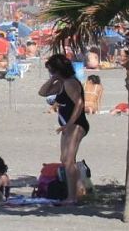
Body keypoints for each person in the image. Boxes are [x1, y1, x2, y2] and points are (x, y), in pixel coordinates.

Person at [38, 53, 89, 205]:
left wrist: (69, 124)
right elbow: (43, 92)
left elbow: (79, 104)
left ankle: (72, 197)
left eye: (51, 70)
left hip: (76, 125)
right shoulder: (61, 83)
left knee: (68, 160)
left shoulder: (70, 83)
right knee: (65, 159)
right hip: (67, 127)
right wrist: (53, 78)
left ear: (58, 69)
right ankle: (78, 191)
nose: (50, 73)